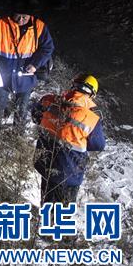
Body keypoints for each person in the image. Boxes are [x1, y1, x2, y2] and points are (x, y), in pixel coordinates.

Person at [31, 75, 105, 204]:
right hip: (69, 171)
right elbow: (98, 145)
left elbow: (35, 116)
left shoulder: (48, 100)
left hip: (44, 162)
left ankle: (43, 222)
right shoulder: (91, 118)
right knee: (63, 212)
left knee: (47, 200)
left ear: (73, 86)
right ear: (92, 94)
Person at [0, 6, 54, 129]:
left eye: (24, 17)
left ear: (30, 15)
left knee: (22, 108)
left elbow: (47, 48)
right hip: (1, 75)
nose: (20, 19)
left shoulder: (39, 27)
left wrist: (35, 65)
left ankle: (18, 134)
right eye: (17, 16)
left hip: (26, 77)